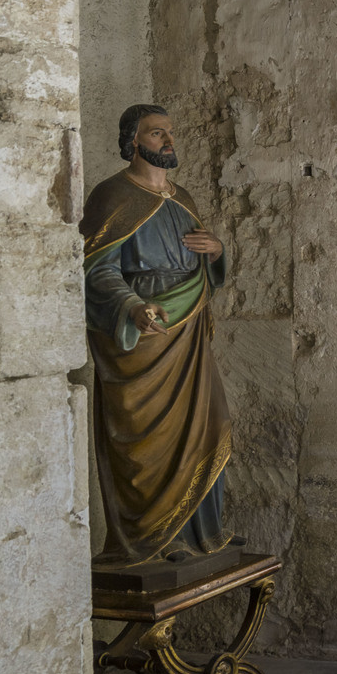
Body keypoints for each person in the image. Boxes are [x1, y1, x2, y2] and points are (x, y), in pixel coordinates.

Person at [82, 104, 234, 568]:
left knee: (206, 424)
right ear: (132, 142)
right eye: (155, 134)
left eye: (169, 132)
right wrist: (131, 306)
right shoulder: (111, 196)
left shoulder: (182, 197)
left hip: (187, 337)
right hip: (144, 338)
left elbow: (206, 266)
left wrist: (217, 251)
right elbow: (95, 271)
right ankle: (151, 539)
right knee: (147, 444)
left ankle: (194, 534)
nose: (167, 141)